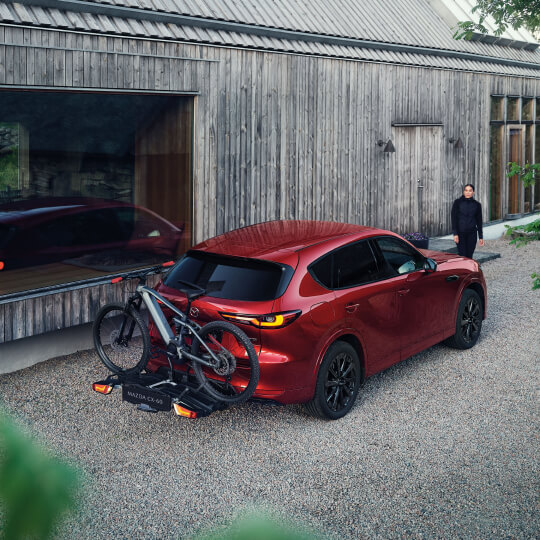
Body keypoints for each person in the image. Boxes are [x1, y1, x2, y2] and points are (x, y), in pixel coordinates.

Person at [451, 184, 484, 259]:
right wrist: (455, 234)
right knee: (462, 255)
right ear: (464, 191)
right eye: (466, 190)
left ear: (473, 192)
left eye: (470, 190)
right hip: (460, 233)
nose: (468, 192)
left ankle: (468, 270)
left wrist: (481, 236)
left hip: (472, 234)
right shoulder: (457, 203)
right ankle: (462, 270)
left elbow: (479, 221)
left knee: (469, 255)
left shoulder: (477, 205)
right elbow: (454, 219)